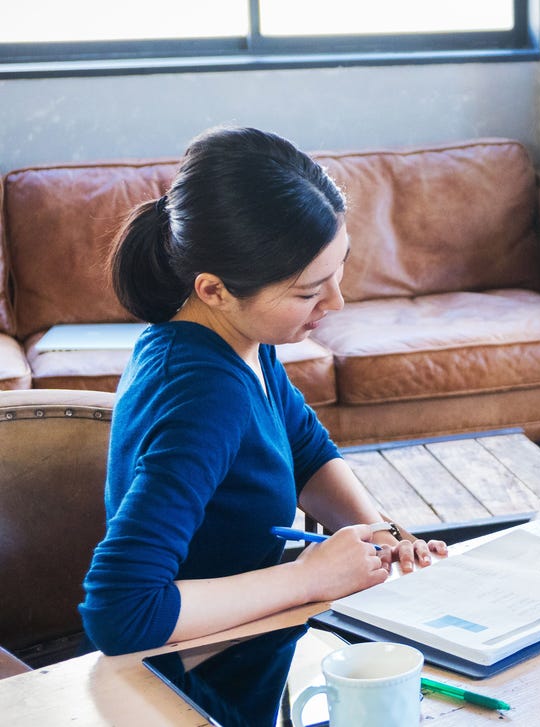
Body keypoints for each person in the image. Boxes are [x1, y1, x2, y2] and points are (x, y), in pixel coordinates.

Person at [80, 126, 448, 656]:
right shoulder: (204, 395)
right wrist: (310, 577)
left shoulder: (235, 339)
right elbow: (120, 611)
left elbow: (304, 452)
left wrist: (384, 536)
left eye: (338, 272)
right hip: (201, 686)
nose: (336, 303)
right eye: (308, 292)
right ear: (215, 290)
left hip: (258, 650)